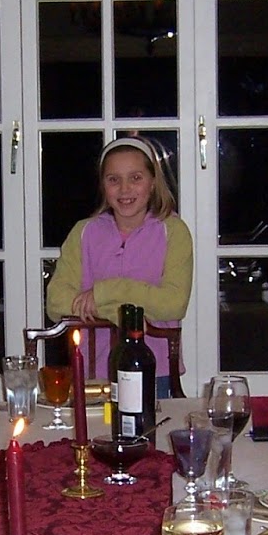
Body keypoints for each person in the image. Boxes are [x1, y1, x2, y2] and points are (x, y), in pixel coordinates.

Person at [45, 136, 192, 397]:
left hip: (154, 373)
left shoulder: (173, 231)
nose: (125, 189)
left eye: (135, 178)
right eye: (114, 179)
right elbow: (56, 302)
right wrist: (120, 314)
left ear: (153, 182)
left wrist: (104, 292)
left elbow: (173, 303)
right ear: (103, 185)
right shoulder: (84, 232)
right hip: (92, 375)